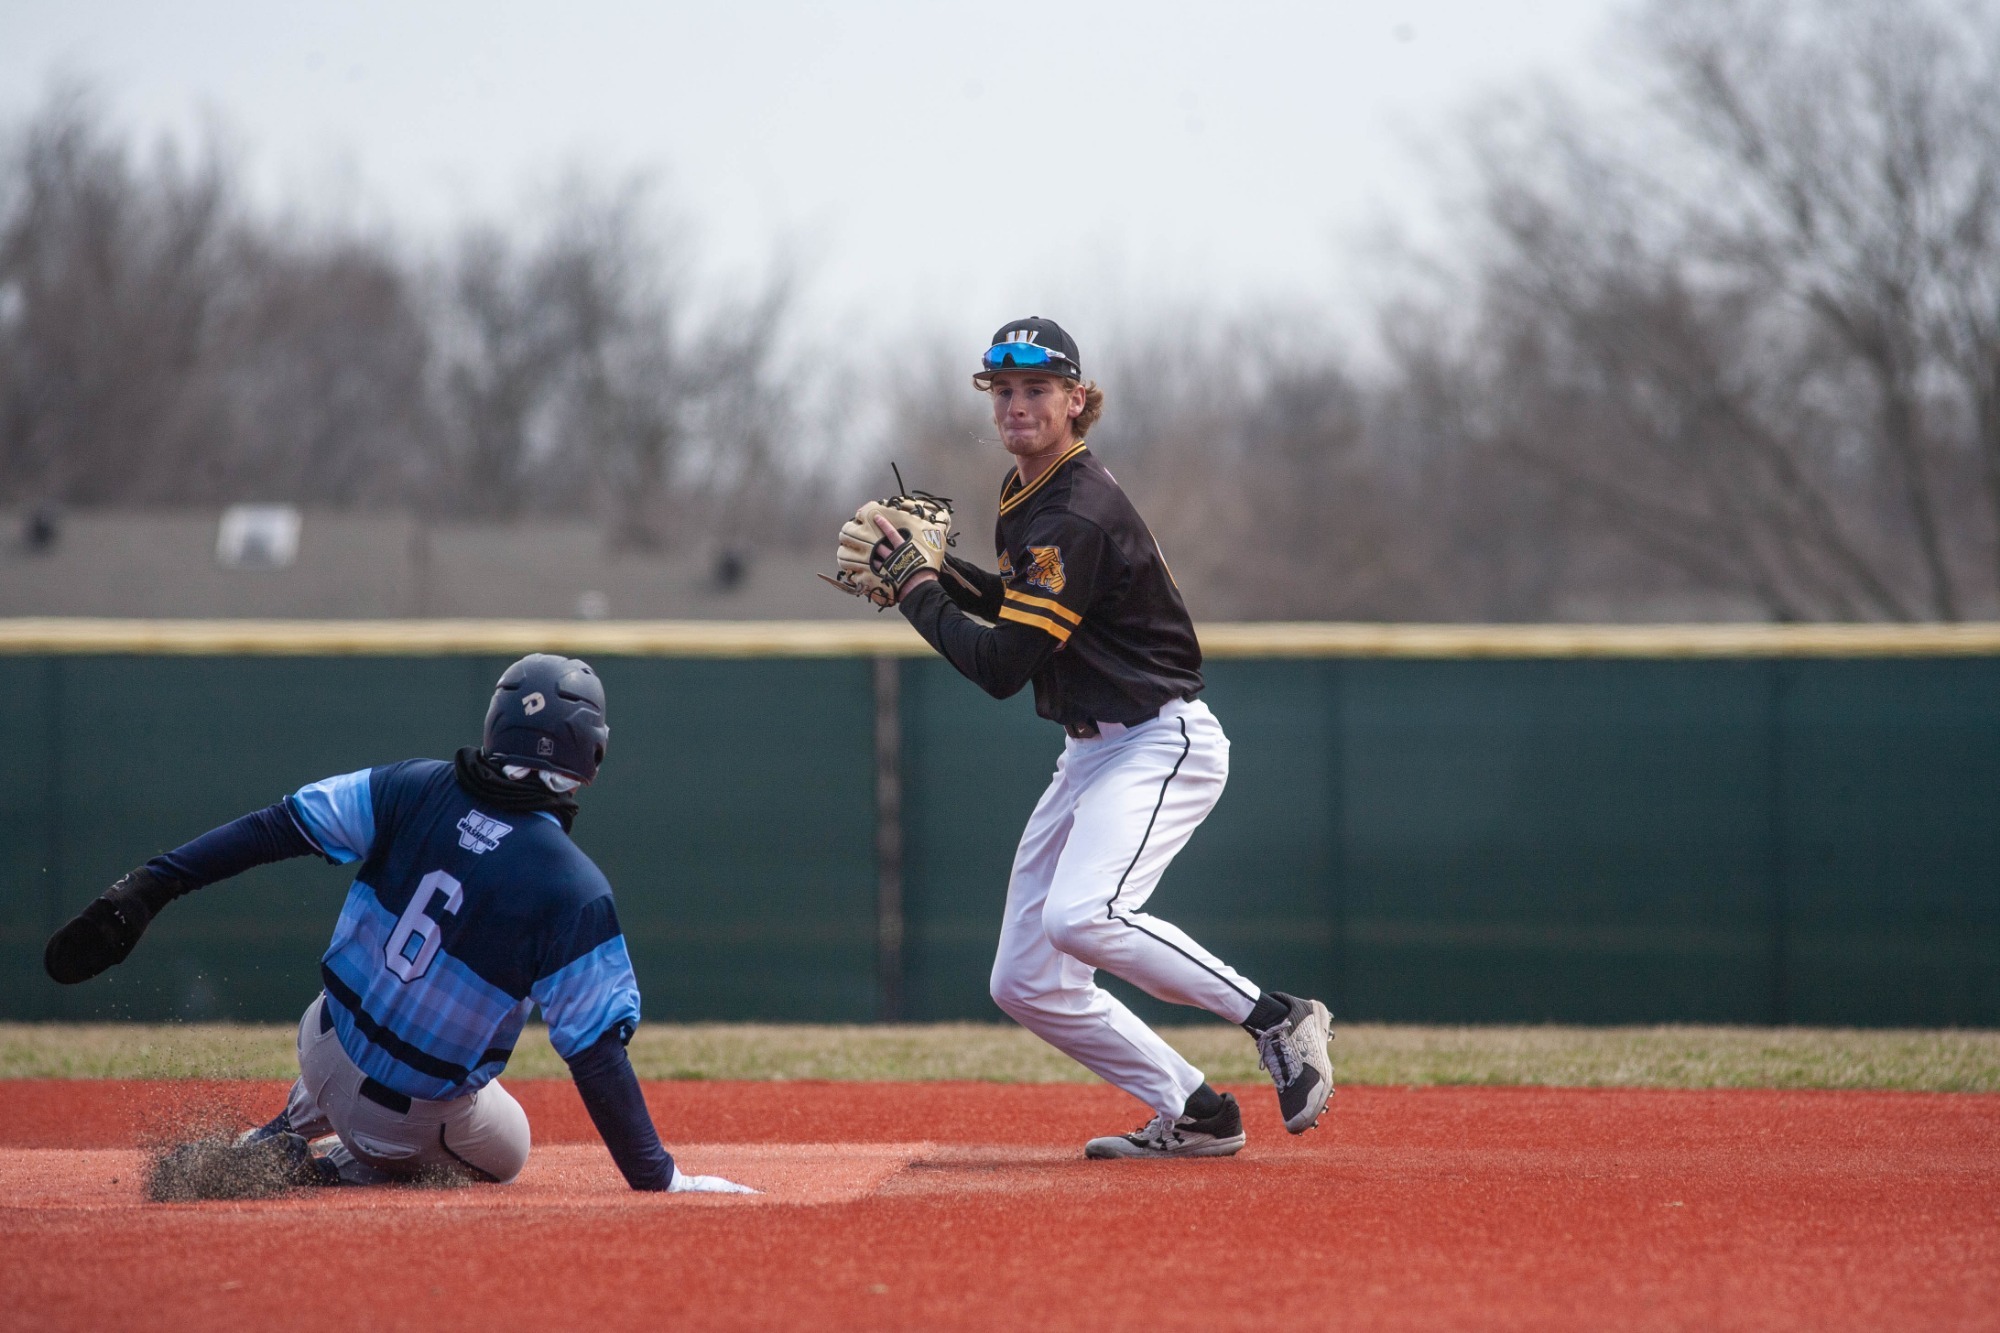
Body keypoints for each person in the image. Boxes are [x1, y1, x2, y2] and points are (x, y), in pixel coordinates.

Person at [839, 316, 1335, 1158]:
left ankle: (1277, 1018)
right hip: (1093, 751)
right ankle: (1198, 1110)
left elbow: (1003, 666)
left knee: (1083, 915)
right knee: (1026, 979)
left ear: (1077, 400)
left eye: (1037, 389)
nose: (1017, 404)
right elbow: (1030, 615)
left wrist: (921, 588)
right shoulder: (1033, 491)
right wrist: (947, 577)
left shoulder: (1076, 508)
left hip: (1158, 742)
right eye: (1003, 390)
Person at [44, 654, 752, 1194]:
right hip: (403, 1119)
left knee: (362, 1024)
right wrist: (661, 1178)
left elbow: (274, 827)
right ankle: (335, 1169)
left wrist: (150, 885)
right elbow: (595, 1054)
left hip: (319, 1047)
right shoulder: (574, 887)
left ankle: (282, 1129)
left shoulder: (409, 785)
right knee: (511, 1143)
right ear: (586, 753)